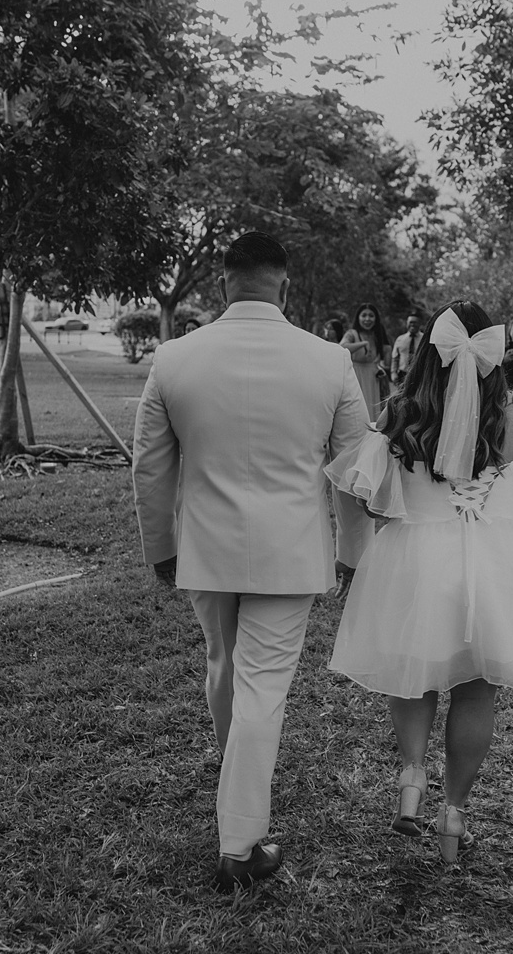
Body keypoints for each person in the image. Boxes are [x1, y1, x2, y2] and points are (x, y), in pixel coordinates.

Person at [132, 231, 374, 892]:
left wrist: (161, 547)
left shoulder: (175, 358)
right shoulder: (328, 363)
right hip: (288, 552)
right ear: (286, 286)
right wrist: (354, 552)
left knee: (222, 664)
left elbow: (149, 466)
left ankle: (234, 770)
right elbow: (354, 471)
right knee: (262, 687)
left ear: (221, 284)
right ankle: (238, 847)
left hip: (205, 550)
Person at [325, 300, 513, 864]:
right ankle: (453, 814)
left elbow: (374, 504)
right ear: (494, 352)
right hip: (499, 568)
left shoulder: (399, 415)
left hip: (417, 563)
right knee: (478, 691)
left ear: (429, 349)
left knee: (413, 674)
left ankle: (411, 777)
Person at [339, 302, 392, 420]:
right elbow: (342, 347)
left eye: (371, 315)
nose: (367, 319)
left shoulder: (378, 334)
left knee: (373, 409)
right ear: (358, 317)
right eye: (364, 315)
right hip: (356, 375)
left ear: (376, 318)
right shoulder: (352, 333)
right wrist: (363, 343)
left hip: (373, 377)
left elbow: (386, 361)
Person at [390, 309, 424, 389]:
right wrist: (393, 373)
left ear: (420, 324)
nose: (412, 325)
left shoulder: (424, 339)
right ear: (407, 323)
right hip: (402, 375)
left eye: (415, 322)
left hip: (418, 375)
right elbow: (395, 358)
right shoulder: (400, 339)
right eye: (410, 322)